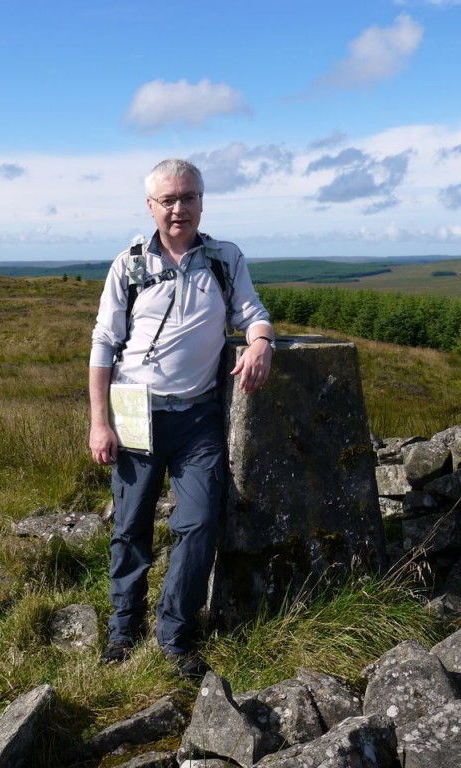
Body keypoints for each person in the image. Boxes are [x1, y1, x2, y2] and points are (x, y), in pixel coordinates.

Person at [88, 158, 275, 679]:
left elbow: (252, 312)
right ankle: (123, 631)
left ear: (201, 202)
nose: (179, 208)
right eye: (167, 200)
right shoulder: (127, 265)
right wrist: (99, 422)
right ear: (150, 207)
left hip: (196, 419)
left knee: (197, 525)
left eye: (188, 197)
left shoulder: (223, 258)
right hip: (134, 414)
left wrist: (260, 343)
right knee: (131, 526)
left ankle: (174, 636)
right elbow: (104, 343)